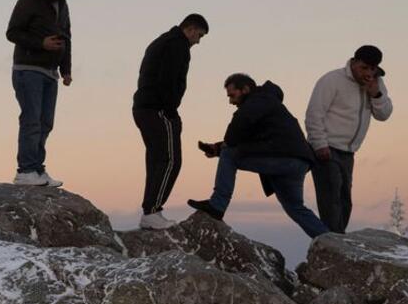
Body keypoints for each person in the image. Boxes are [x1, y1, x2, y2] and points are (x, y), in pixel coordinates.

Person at [188, 74, 327, 238]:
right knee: (296, 208)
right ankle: (330, 240)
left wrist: (223, 148)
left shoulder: (257, 101)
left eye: (232, 95)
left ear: (246, 89)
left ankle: (217, 205)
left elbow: (234, 134)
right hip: (298, 162)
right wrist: (217, 148)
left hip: (284, 159)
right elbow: (248, 138)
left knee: (229, 154)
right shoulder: (266, 103)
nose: (231, 102)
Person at [131, 14, 209, 230]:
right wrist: (171, 110)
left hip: (143, 107)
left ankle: (150, 211)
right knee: (170, 160)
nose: (198, 42)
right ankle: (153, 210)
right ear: (191, 29)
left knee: (156, 160)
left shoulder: (162, 40)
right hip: (158, 109)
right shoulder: (178, 45)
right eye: (199, 36)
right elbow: (168, 78)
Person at [304, 45, 393, 233]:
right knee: (331, 198)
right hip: (326, 148)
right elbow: (314, 113)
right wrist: (319, 144)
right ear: (354, 62)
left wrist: (375, 94)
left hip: (349, 151)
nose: (368, 73)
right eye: (364, 68)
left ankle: (336, 242)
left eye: (372, 69)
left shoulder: (376, 83)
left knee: (345, 200)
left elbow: (384, 114)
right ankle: (334, 244)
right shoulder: (332, 80)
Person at [5, 0, 73, 187]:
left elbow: (67, 38)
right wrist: (41, 43)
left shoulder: (62, 6)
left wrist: (66, 70)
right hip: (28, 70)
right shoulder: (28, 1)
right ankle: (25, 171)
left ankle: (37, 168)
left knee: (46, 123)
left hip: (50, 73)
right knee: (32, 120)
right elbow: (12, 32)